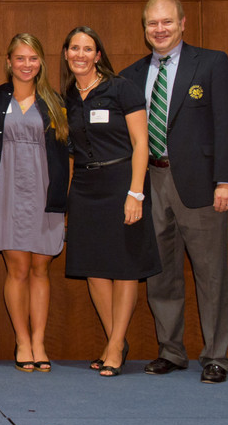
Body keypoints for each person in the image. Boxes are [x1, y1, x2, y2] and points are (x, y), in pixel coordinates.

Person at [120, 0, 228, 384]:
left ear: (183, 23)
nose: (160, 29)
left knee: (211, 273)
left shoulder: (211, 63)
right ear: (144, 28)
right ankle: (170, 350)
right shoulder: (131, 75)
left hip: (202, 187)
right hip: (151, 184)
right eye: (152, 23)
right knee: (162, 273)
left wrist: (227, 180)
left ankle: (216, 355)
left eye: (167, 22)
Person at [62, 26, 160, 377]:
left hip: (122, 184)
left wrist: (136, 192)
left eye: (87, 49)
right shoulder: (69, 96)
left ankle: (116, 345)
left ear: (98, 55)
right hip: (86, 187)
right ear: (66, 54)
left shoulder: (122, 88)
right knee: (94, 267)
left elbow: (141, 143)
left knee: (124, 267)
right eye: (74, 48)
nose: (80, 55)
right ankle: (113, 339)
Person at [0, 34, 68, 373]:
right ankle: (21, 340)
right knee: (16, 269)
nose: (26, 64)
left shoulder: (54, 101)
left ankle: (39, 341)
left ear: (41, 62)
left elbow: (65, 155)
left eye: (33, 58)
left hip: (44, 190)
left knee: (40, 269)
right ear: (8, 62)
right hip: (6, 191)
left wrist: (63, 199)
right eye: (20, 58)